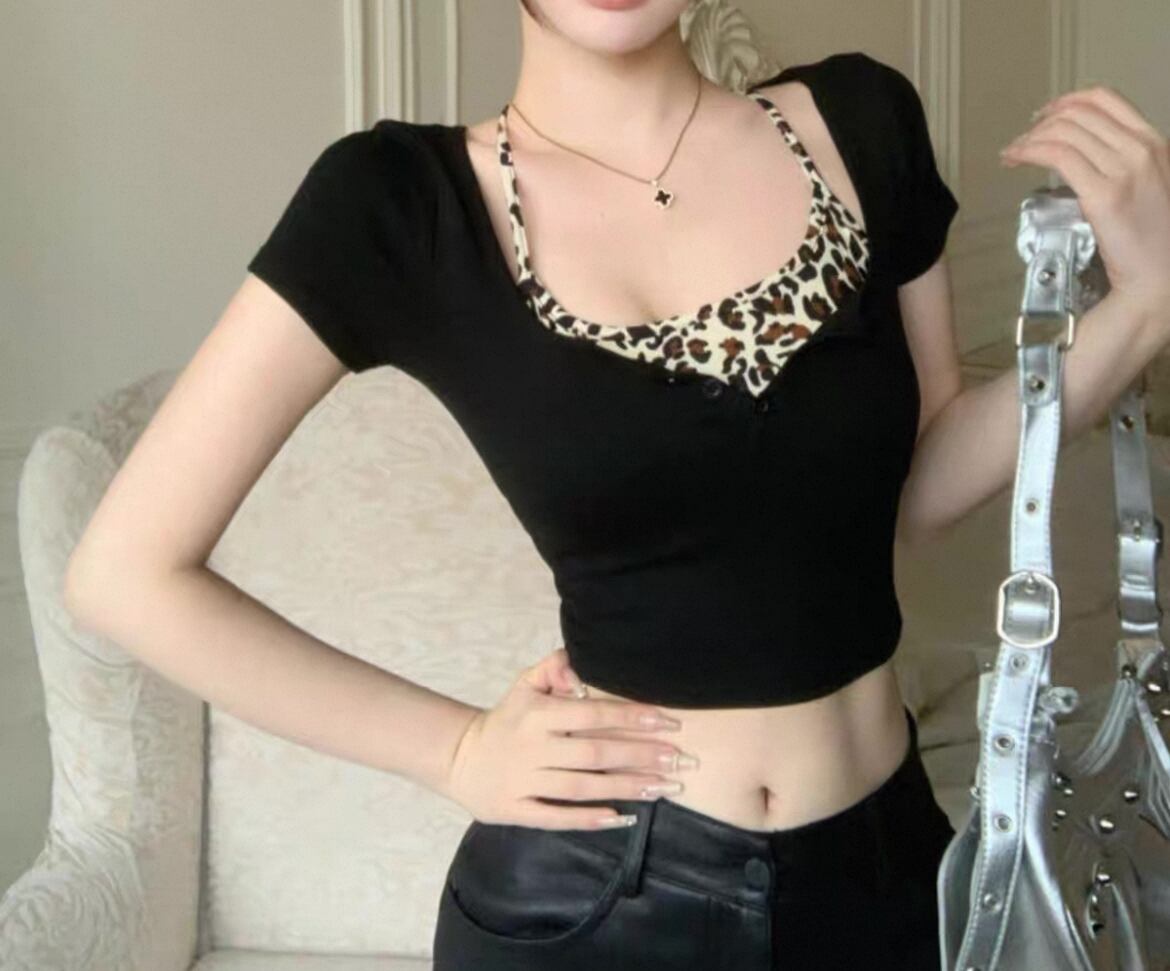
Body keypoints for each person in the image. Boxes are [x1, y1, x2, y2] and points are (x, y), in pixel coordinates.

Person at [62, 1, 1170, 969]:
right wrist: (453, 749)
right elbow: (123, 572)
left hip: (886, 874)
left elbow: (918, 484)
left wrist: (1150, 301)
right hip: (596, 902)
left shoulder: (861, 122)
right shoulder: (398, 202)